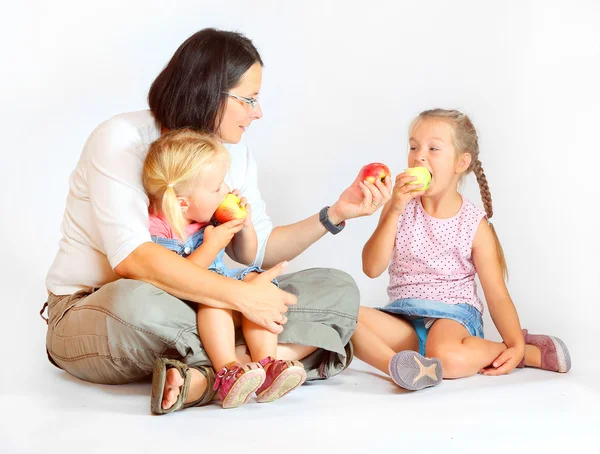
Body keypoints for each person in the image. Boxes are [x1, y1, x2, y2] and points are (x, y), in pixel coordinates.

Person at [42, 28, 390, 415]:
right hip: (103, 308)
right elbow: (134, 261)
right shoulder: (122, 139)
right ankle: (263, 359)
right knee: (135, 302)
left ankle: (210, 376)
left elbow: (257, 252)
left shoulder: (233, 156)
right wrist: (243, 297)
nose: (258, 113)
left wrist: (337, 213)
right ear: (210, 93)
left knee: (337, 289)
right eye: (250, 100)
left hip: (205, 304)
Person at [351, 108, 571, 391]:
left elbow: (497, 295)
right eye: (414, 147)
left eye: (433, 148)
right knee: (343, 315)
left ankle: (519, 352)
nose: (419, 156)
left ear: (460, 163)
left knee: (447, 357)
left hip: (452, 317)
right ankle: (409, 366)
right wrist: (392, 210)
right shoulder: (399, 208)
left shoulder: (473, 224)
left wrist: (515, 344)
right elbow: (371, 268)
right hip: (403, 316)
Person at [143, 129, 306, 409]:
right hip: (194, 296)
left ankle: (268, 365)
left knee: (257, 282)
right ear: (183, 203)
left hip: (221, 285)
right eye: (217, 187)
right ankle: (227, 371)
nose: (225, 191)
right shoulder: (158, 227)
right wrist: (210, 245)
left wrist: (246, 224)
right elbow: (179, 278)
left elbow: (250, 255)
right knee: (215, 301)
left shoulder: (207, 214)